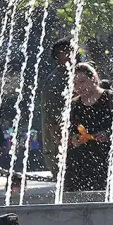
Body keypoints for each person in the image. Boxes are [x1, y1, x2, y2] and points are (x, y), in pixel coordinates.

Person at [64, 63, 113, 192]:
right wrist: (74, 139)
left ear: (94, 79)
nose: (78, 87)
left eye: (82, 81)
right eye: (74, 83)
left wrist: (110, 134)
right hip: (82, 164)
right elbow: (64, 134)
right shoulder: (73, 105)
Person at [39, 39, 75, 178]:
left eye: (71, 51)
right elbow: (51, 115)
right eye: (64, 52)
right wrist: (59, 137)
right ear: (57, 57)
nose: (69, 55)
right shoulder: (55, 80)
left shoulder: (76, 74)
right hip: (61, 142)